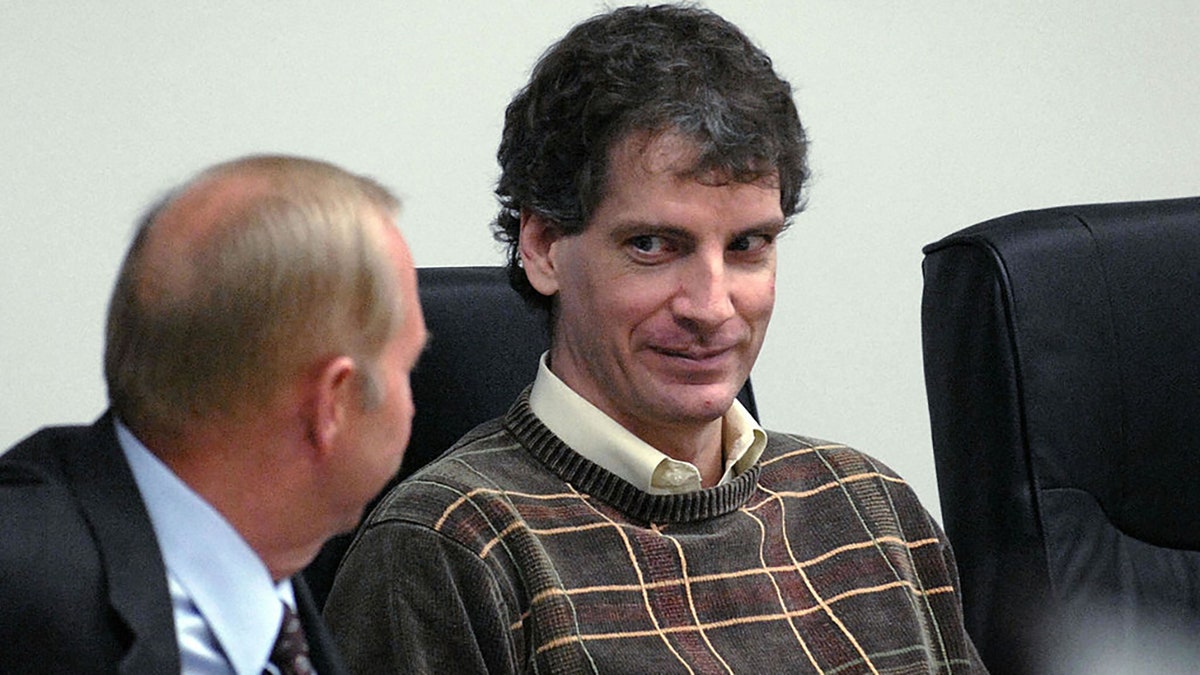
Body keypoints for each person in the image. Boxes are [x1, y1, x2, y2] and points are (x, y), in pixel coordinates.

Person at [325, 5, 983, 673]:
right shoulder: (451, 548)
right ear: (544, 245)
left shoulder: (872, 506)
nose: (712, 305)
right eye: (652, 245)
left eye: (749, 245)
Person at [0, 155, 427, 674]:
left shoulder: (274, 571)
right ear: (330, 405)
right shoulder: (24, 588)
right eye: (409, 365)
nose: (414, 403)